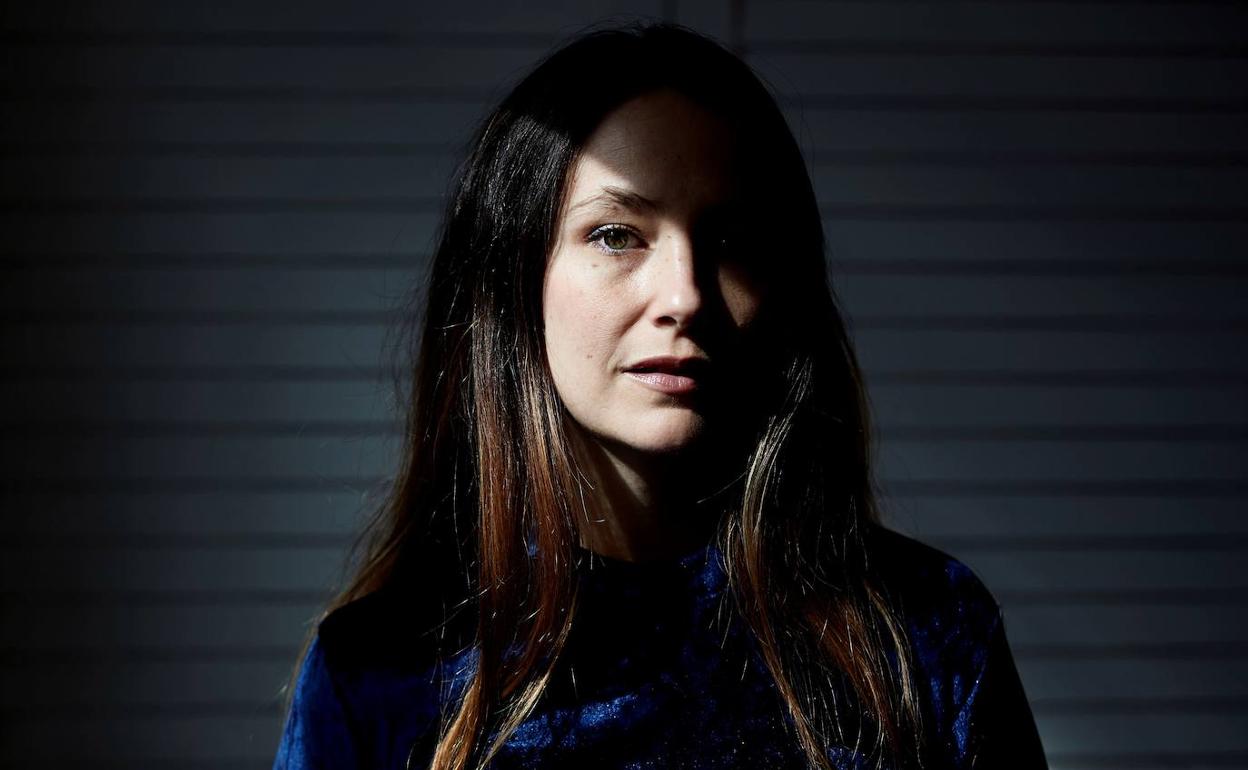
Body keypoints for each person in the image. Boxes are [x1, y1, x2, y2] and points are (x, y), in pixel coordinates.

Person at [272, 22, 1048, 770]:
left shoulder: (929, 634)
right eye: (617, 234)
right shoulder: (380, 675)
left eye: (729, 240)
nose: (684, 296)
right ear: (514, 281)